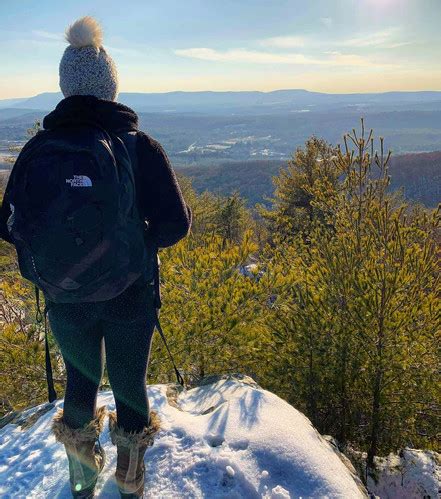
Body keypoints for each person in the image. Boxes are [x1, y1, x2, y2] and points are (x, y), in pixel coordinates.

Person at [0, 16, 191, 499]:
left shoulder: (39, 148)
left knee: (80, 384)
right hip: (131, 292)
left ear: (66, 88)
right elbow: (176, 225)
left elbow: (7, 225)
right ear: (111, 87)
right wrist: (136, 242)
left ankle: (82, 480)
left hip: (65, 299)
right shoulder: (138, 146)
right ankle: (129, 481)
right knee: (129, 384)